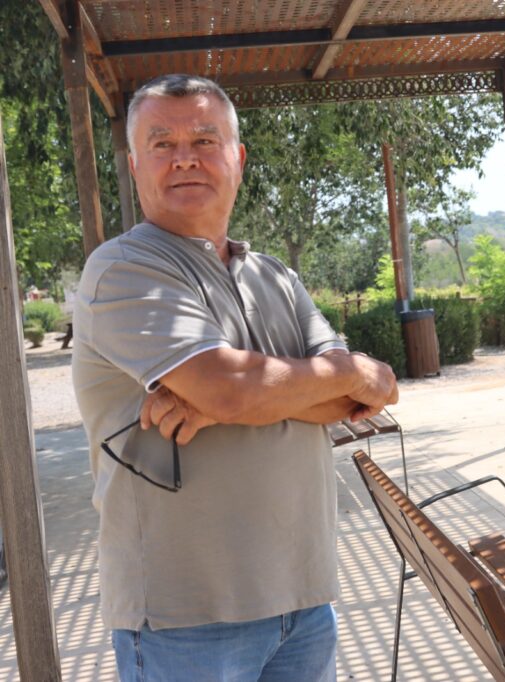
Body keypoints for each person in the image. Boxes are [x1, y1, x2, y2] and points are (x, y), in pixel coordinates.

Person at [71, 74, 398, 681]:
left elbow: (368, 394)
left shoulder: (275, 276)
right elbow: (231, 388)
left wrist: (342, 372)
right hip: (185, 617)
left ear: (238, 158)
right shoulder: (123, 268)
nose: (185, 157)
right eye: (162, 143)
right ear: (135, 163)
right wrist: (246, 392)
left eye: (204, 137)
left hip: (304, 599)